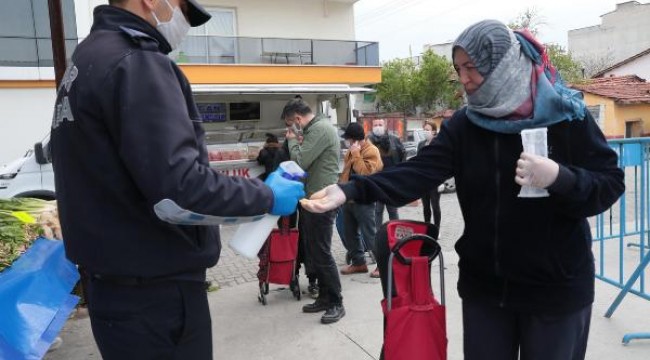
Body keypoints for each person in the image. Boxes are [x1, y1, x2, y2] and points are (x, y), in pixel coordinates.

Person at [301, 19, 625, 360]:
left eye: (472, 68)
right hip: (486, 289)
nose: (464, 78)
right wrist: (350, 191)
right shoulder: (466, 125)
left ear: (503, 66)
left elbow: (609, 182)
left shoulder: (565, 117)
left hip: (555, 290)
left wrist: (560, 177)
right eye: (458, 68)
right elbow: (418, 172)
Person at [49, 1, 305, 359]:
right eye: (183, 7)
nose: (185, 21)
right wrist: (265, 196)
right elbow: (180, 190)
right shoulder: (136, 62)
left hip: (113, 291)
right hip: (157, 296)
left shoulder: (86, 59)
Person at [283, 98, 346, 324]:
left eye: (291, 123)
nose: (292, 128)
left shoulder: (320, 129)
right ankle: (326, 298)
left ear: (298, 119)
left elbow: (300, 161)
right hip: (312, 199)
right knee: (315, 252)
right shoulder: (315, 128)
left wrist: (292, 142)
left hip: (322, 200)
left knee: (322, 252)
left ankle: (337, 302)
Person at [338, 122, 383, 278]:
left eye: (349, 139)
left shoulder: (372, 151)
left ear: (355, 139)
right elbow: (346, 172)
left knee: (370, 234)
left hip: (364, 199)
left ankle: (382, 265)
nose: (347, 142)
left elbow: (365, 172)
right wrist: (340, 189)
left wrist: (356, 154)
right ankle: (359, 263)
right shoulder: (351, 151)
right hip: (349, 198)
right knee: (350, 233)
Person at [368, 118, 405, 230]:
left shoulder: (394, 139)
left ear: (384, 126)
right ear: (372, 127)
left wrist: (400, 174)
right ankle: (377, 235)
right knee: (377, 210)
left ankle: (395, 233)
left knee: (392, 209)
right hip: (376, 181)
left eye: (380, 124)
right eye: (376, 125)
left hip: (391, 181)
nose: (378, 127)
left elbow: (402, 155)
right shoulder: (368, 141)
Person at [417, 121, 441, 230]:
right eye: (424, 129)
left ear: (434, 131)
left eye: (427, 130)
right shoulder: (421, 144)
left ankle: (436, 229)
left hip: (434, 180)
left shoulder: (438, 144)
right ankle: (427, 228)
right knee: (426, 207)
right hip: (422, 180)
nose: (425, 132)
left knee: (435, 206)